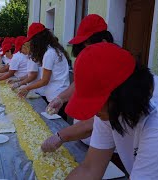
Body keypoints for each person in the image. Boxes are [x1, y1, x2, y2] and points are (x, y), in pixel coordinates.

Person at [65, 42, 158, 179]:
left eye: (95, 103)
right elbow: (90, 168)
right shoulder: (111, 105)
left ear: (121, 95)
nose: (93, 112)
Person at [41, 14, 114, 152]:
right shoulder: (93, 61)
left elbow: (101, 120)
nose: (86, 52)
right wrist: (60, 98)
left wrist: (61, 136)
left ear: (104, 42)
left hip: (104, 146)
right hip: (81, 137)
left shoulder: (114, 67)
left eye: (88, 46)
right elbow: (79, 84)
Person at [17, 23, 71, 121]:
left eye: (32, 41)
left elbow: (44, 80)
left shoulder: (49, 53)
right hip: (58, 94)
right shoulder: (53, 50)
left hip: (57, 97)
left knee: (56, 125)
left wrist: (26, 88)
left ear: (37, 40)